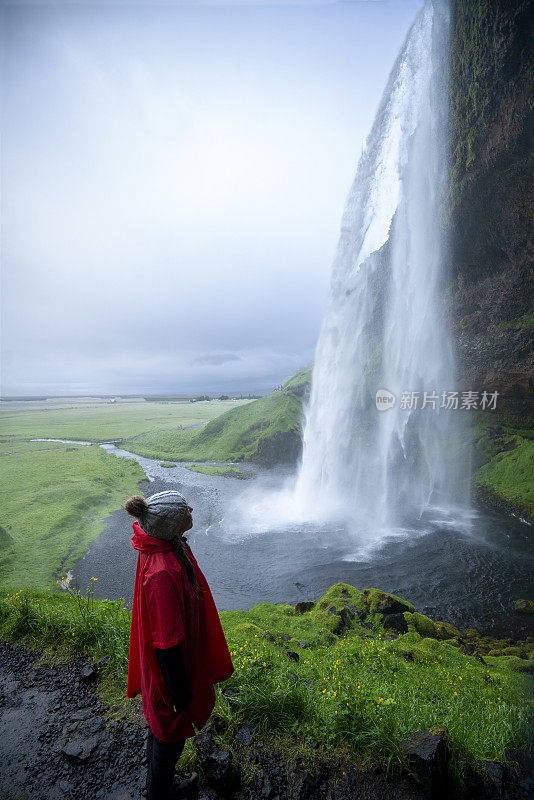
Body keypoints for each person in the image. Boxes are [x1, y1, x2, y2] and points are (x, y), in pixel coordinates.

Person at [124, 490, 234, 799]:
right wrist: (179, 694)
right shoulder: (162, 573)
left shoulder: (166, 546)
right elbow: (166, 644)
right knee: (169, 737)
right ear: (172, 525)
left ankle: (160, 782)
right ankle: (160, 791)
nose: (191, 509)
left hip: (169, 669)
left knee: (161, 733)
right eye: (184, 509)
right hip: (169, 676)